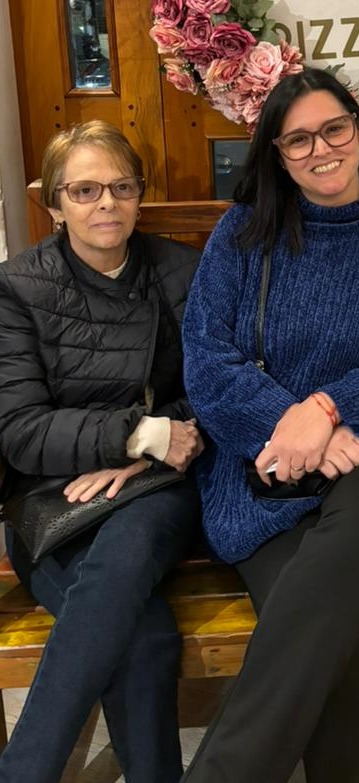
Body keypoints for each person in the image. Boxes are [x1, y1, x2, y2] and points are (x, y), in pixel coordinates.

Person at [180, 67, 359, 783]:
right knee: (341, 635)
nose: (321, 149)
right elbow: (207, 363)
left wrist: (329, 408)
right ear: (278, 155)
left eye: (334, 128)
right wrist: (293, 425)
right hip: (264, 467)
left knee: (356, 540)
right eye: (298, 139)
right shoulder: (243, 235)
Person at [0, 121, 203, 783]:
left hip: (155, 488)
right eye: (84, 190)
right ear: (54, 205)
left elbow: (214, 391)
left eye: (122, 186)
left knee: (130, 542)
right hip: (52, 502)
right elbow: (21, 430)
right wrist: (137, 434)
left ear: (140, 196)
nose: (107, 203)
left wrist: (155, 447)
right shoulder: (16, 287)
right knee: (145, 636)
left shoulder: (181, 271)